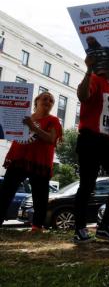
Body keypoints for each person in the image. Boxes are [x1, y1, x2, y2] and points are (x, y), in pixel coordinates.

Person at [73, 55, 109, 243]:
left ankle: (105, 227)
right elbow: (82, 96)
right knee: (87, 185)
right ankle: (79, 229)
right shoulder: (96, 79)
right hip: (91, 138)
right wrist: (89, 69)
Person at [0, 92, 62, 232]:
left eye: (51, 100)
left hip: (40, 161)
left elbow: (51, 139)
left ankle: (37, 226)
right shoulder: (24, 116)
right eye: (45, 98)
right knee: (6, 191)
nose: (48, 101)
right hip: (19, 157)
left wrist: (32, 127)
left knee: (40, 195)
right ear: (36, 101)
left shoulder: (53, 120)